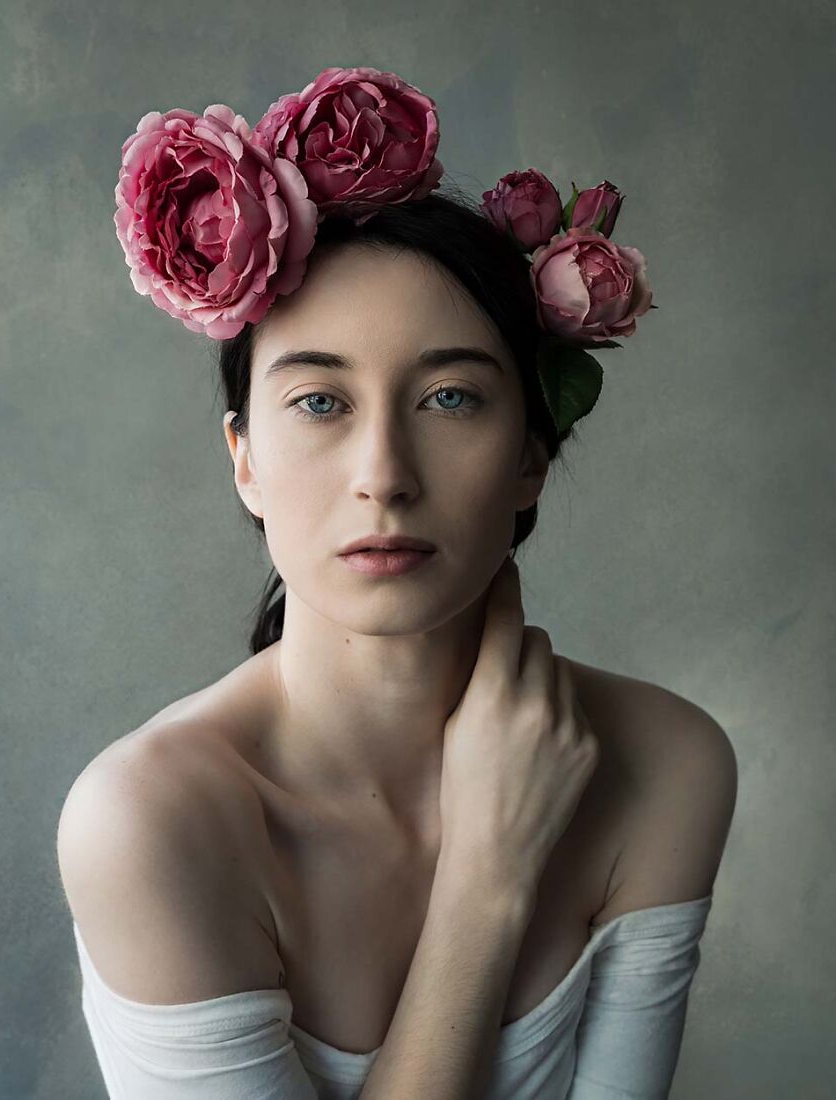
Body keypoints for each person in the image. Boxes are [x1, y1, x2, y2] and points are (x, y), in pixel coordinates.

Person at [58, 66, 738, 1099]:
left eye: (451, 395)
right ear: (244, 458)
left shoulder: (667, 765)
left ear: (531, 454)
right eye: (321, 401)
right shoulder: (152, 821)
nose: (383, 473)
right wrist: (488, 875)